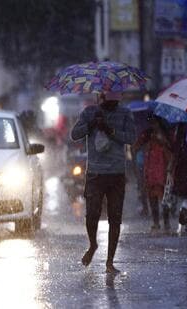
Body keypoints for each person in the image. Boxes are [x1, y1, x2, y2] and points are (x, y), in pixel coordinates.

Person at [71, 91, 135, 274]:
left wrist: (110, 130)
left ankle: (110, 261)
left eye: (114, 102)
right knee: (92, 214)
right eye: (108, 102)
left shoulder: (125, 113)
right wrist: (92, 125)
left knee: (115, 218)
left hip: (117, 173)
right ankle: (93, 245)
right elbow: (74, 134)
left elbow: (131, 138)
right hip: (95, 174)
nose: (111, 105)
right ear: (101, 97)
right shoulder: (89, 112)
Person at [132, 116, 171, 231]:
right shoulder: (146, 135)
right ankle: (156, 222)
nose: (154, 126)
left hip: (162, 170)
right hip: (150, 170)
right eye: (152, 123)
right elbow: (135, 147)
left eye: (155, 123)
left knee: (164, 198)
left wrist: (161, 140)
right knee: (152, 197)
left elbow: (170, 148)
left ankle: (166, 223)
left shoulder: (165, 135)